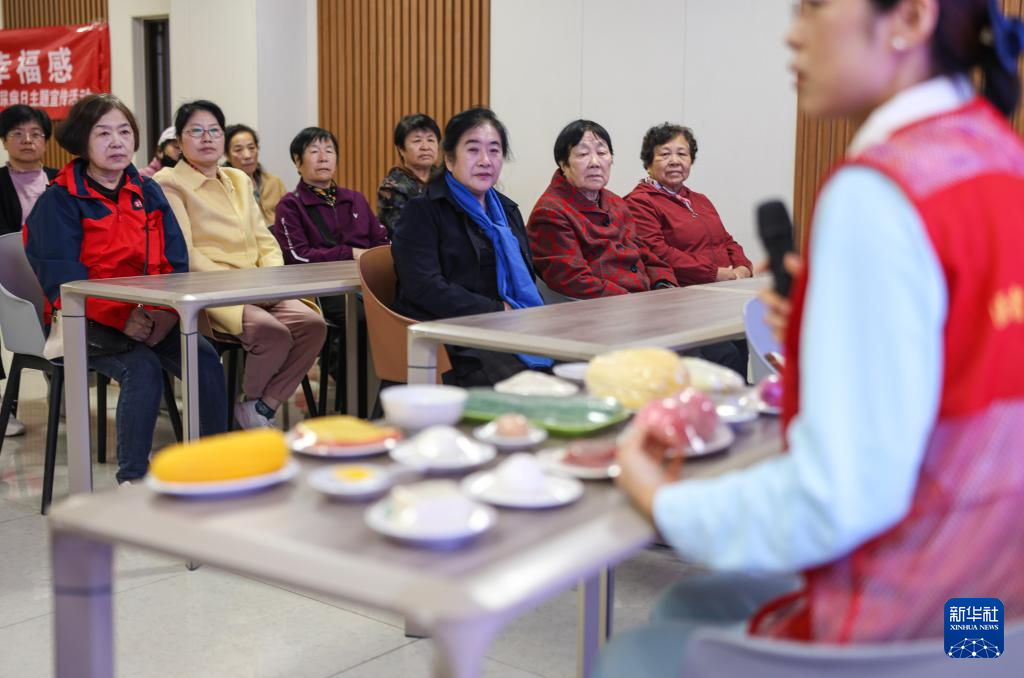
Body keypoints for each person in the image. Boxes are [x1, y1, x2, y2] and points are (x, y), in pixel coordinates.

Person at [598, 0, 1024, 674]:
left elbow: (836, 501)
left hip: (896, 625)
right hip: (984, 623)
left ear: (909, 20)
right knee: (690, 603)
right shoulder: (1002, 156)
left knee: (627, 657)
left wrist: (661, 501)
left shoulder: (881, 189)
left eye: (814, 7)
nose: (792, 34)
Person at [24, 94, 227, 484]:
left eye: (124, 132)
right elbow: (65, 281)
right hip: (83, 319)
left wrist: (166, 315)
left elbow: (175, 261)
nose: (117, 142)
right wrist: (121, 318)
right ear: (82, 141)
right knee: (142, 368)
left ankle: (215, 464)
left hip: (150, 314)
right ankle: (133, 479)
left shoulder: (147, 191)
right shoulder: (59, 201)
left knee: (202, 355)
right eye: (103, 133)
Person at [155, 100, 326, 429]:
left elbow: (264, 239)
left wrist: (270, 281)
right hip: (210, 290)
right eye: (196, 131)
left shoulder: (238, 178)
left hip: (258, 286)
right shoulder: (169, 182)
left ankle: (258, 407)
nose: (207, 138)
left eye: (214, 130)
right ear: (179, 142)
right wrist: (245, 288)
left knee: (313, 325)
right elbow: (187, 254)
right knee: (271, 334)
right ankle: (247, 414)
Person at [391, 107, 551, 386]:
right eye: (473, 150)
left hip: (507, 328)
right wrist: (497, 311)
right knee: (534, 386)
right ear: (449, 159)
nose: (485, 160)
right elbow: (424, 288)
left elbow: (527, 275)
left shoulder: (507, 211)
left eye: (494, 150)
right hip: (450, 336)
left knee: (580, 371)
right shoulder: (423, 211)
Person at [272, 126, 388, 402]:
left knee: (402, 309)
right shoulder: (291, 206)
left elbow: (381, 241)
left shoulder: (354, 199)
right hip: (322, 289)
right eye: (314, 151)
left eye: (329, 150)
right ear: (297, 162)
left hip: (365, 283)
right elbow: (298, 256)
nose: (323, 157)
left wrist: (371, 258)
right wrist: (350, 253)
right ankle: (355, 398)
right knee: (361, 318)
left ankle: (387, 391)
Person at [526, 119, 677, 299]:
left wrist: (664, 283)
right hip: (599, 309)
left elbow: (643, 253)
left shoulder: (615, 202)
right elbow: (573, 280)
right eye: (583, 154)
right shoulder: (550, 212)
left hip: (639, 302)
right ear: (563, 164)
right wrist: (634, 302)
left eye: (602, 152)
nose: (595, 162)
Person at [626, 123, 753, 285]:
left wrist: (742, 267)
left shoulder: (700, 199)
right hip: (682, 290)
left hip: (725, 285)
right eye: (665, 154)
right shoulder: (639, 201)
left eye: (682, 154)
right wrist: (713, 273)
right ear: (648, 163)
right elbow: (657, 252)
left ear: (691, 160)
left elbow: (726, 241)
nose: (675, 161)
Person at [0, 104, 58, 437]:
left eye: (36, 133)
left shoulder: (60, 180)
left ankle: (60, 384)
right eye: (17, 133)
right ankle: (5, 407)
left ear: (46, 140)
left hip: (52, 274)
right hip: (7, 275)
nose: (27, 140)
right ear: (4, 141)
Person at [377, 113, 441, 235]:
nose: (425, 147)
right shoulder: (392, 187)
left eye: (431, 140)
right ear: (401, 149)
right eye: (417, 141)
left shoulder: (445, 178)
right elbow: (402, 232)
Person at [223, 123, 287, 226]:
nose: (247, 155)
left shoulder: (274, 182)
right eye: (238, 150)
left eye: (251, 148)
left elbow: (289, 216)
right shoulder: (223, 186)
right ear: (227, 155)